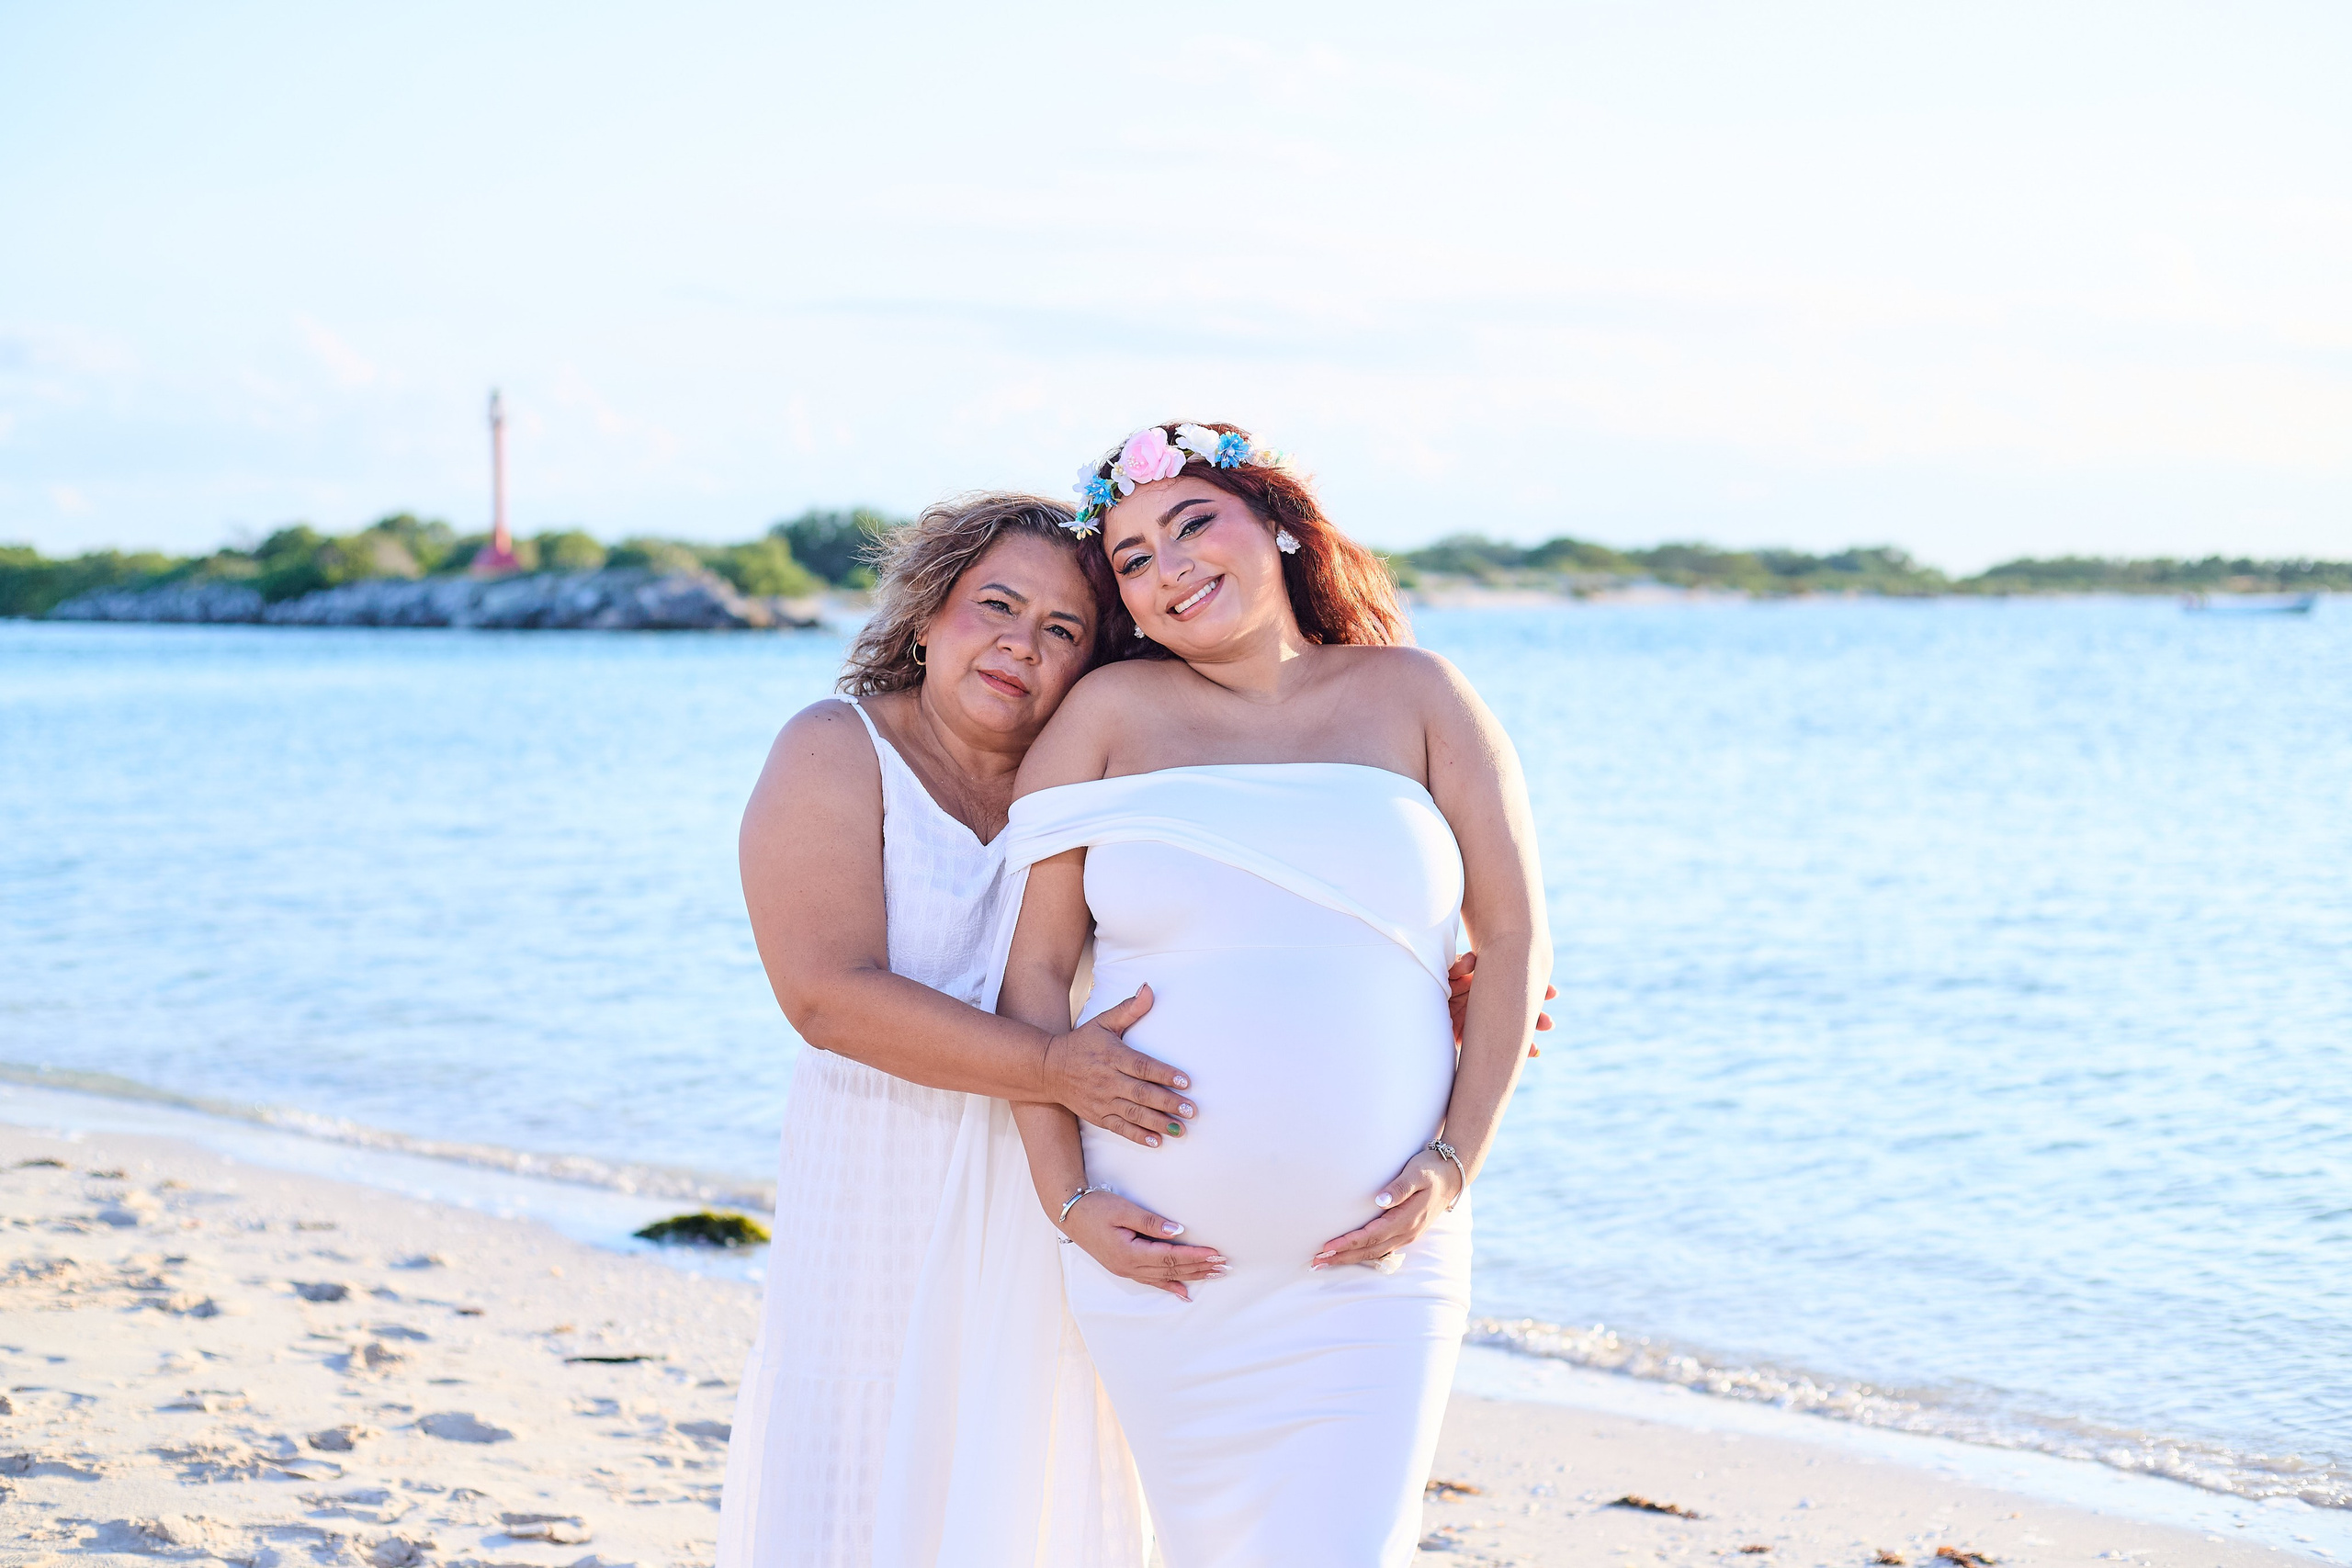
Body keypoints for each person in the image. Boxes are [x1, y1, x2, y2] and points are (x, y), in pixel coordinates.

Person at [989, 423, 1552, 1565]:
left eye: (1194, 524)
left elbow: (1517, 938)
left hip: (1374, 1259)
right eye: (1134, 560)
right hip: (1163, 1264)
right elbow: (1031, 977)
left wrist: (1452, 1168)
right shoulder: (1101, 720)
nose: (1171, 566)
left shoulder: (1420, 695)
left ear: (1281, 528)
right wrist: (1068, 1205)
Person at [718, 492, 1208, 1566]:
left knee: (1039, 1487)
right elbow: (823, 997)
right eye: (995, 604)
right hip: (882, 1182)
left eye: (1062, 631)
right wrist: (1051, 1064)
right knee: (866, 1474)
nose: (1018, 645)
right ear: (929, 614)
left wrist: (1429, 990)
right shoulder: (835, 749)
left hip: (1061, 1193)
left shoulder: (1104, 787)